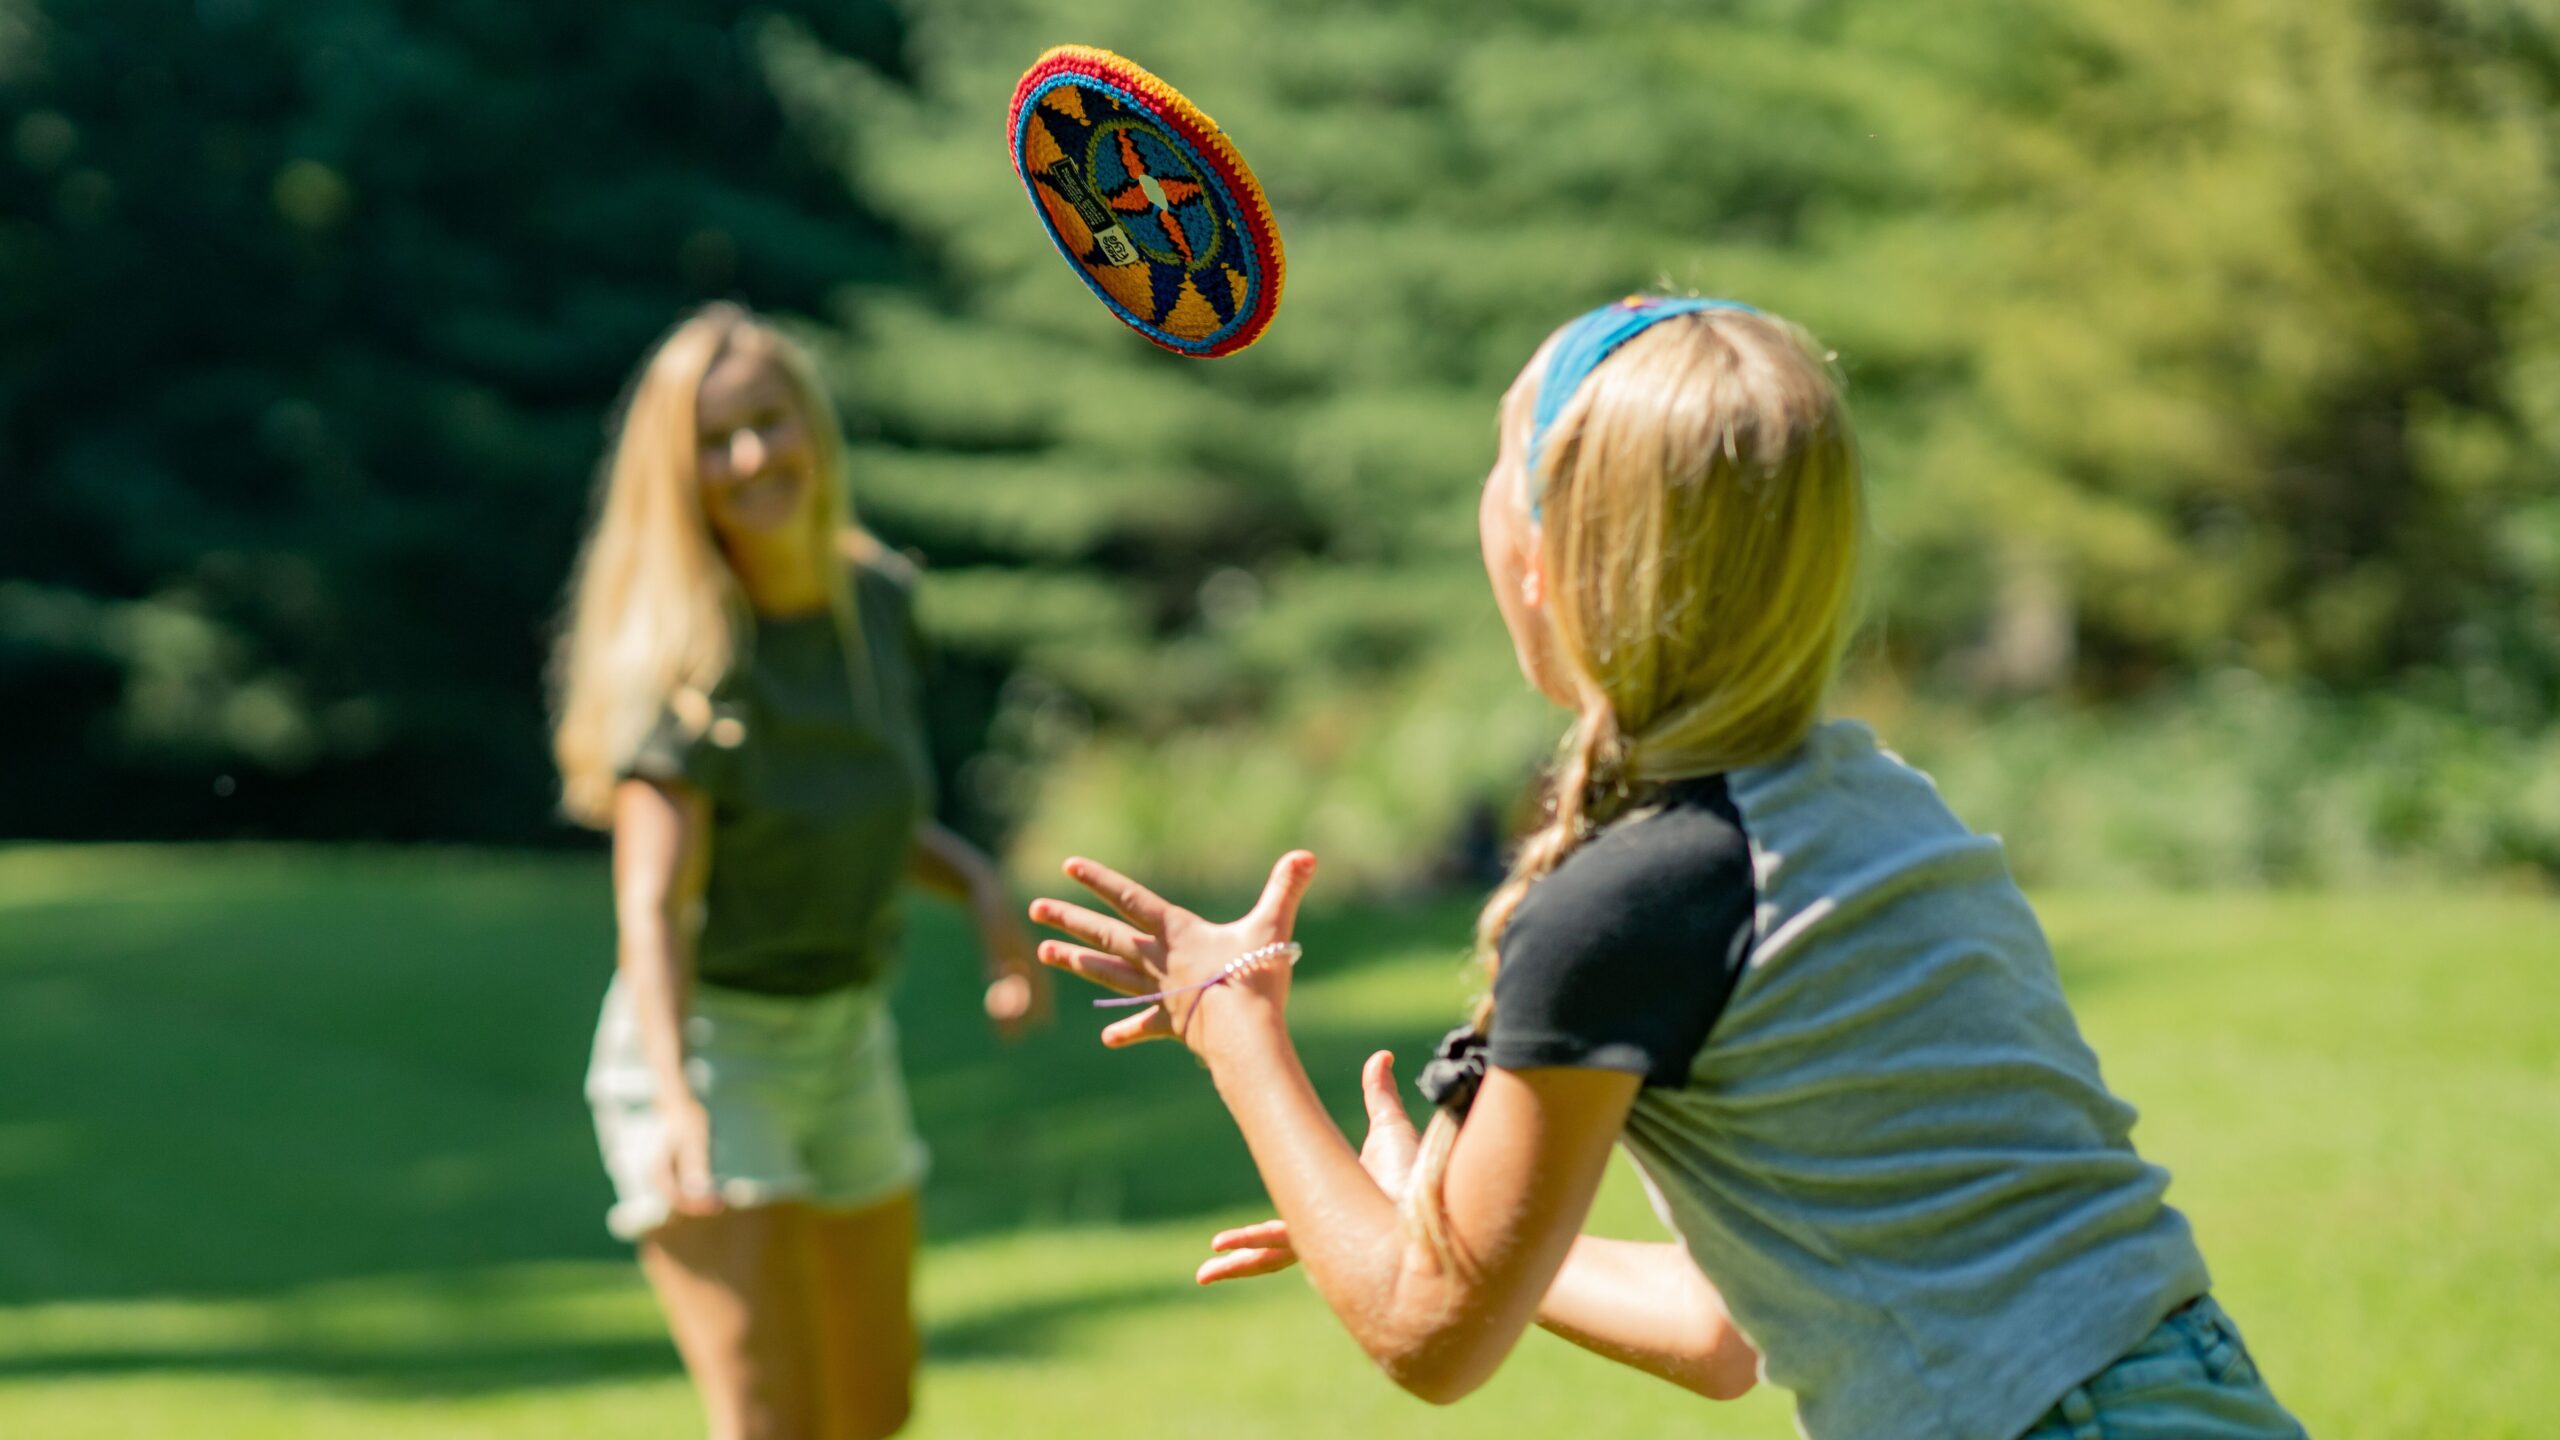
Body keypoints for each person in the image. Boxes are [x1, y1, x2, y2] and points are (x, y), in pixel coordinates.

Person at [1029, 297, 2305, 1439]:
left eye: (1497, 458)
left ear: (1542, 558)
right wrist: (1424, 1200)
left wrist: (1229, 1019)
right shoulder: (1872, 807)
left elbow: (1426, 1333)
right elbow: (1720, 1327)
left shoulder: (1644, 900)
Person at [552, 303, 1049, 1440]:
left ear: (812, 426)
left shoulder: (870, 601)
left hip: (845, 1039)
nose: (751, 457)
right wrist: (678, 1100)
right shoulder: (681, 660)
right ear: (677, 477)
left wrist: (976, 889)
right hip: (714, 1055)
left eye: (769, 421)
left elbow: (854, 814)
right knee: (774, 1422)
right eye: (714, 442)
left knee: (873, 1409)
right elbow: (656, 903)